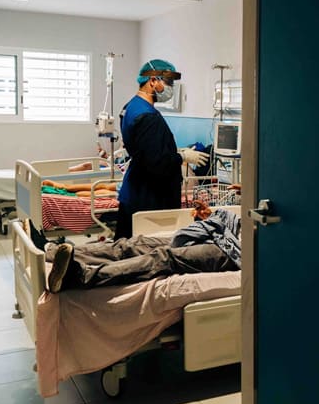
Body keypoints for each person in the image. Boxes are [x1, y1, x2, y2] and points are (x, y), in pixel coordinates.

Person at [40, 206, 241, 293]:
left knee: (163, 258)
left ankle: (80, 277)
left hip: (237, 251)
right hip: (227, 232)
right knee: (134, 244)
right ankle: (51, 252)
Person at [115, 59, 209, 240]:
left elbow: (145, 148)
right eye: (169, 82)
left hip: (136, 189)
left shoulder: (131, 107)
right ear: (152, 81)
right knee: (146, 249)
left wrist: (173, 150)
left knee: (124, 246)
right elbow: (156, 162)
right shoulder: (148, 116)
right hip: (149, 196)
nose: (171, 88)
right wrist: (182, 157)